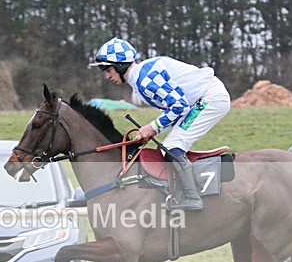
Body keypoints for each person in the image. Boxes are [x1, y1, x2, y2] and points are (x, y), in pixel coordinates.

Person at [89, 37, 231, 211]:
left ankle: (192, 197)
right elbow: (177, 108)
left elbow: (180, 106)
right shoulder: (141, 79)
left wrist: (152, 127)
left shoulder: (145, 80)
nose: (107, 76)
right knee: (168, 146)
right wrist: (152, 131)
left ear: (120, 65)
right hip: (199, 100)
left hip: (210, 98)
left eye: (108, 69)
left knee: (172, 146)